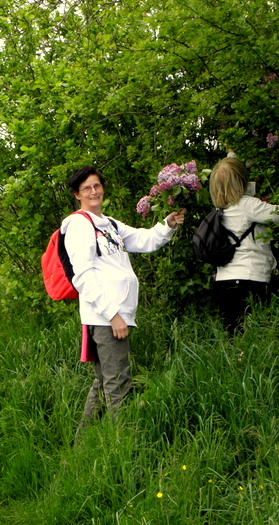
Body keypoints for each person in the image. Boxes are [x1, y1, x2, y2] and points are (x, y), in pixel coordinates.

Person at [62, 165, 185, 435]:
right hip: (106, 317)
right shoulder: (79, 225)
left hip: (116, 316)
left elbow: (144, 239)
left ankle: (82, 444)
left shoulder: (110, 224)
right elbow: (83, 277)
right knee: (118, 384)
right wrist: (113, 315)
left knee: (103, 380)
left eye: (96, 185)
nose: (93, 191)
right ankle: (124, 447)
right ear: (77, 195)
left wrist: (168, 225)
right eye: (86, 188)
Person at [209, 153, 279, 333]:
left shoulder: (220, 208)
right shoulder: (247, 204)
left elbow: (229, 178)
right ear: (242, 181)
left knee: (234, 335)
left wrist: (231, 157)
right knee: (253, 333)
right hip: (249, 277)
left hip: (224, 280)